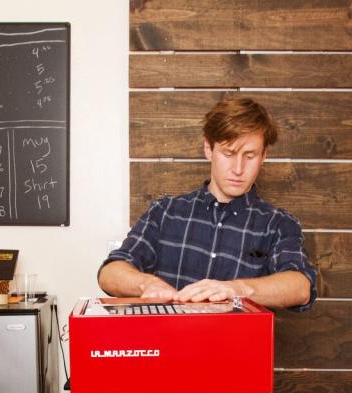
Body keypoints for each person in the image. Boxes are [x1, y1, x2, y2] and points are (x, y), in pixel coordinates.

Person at [98, 97, 317, 311]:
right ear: (208, 149)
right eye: (228, 154)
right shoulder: (166, 212)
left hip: (237, 347)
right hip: (168, 344)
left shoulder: (278, 224)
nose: (238, 169)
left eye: (249, 156)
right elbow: (110, 273)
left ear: (263, 156)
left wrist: (236, 289)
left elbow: (300, 287)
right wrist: (146, 284)